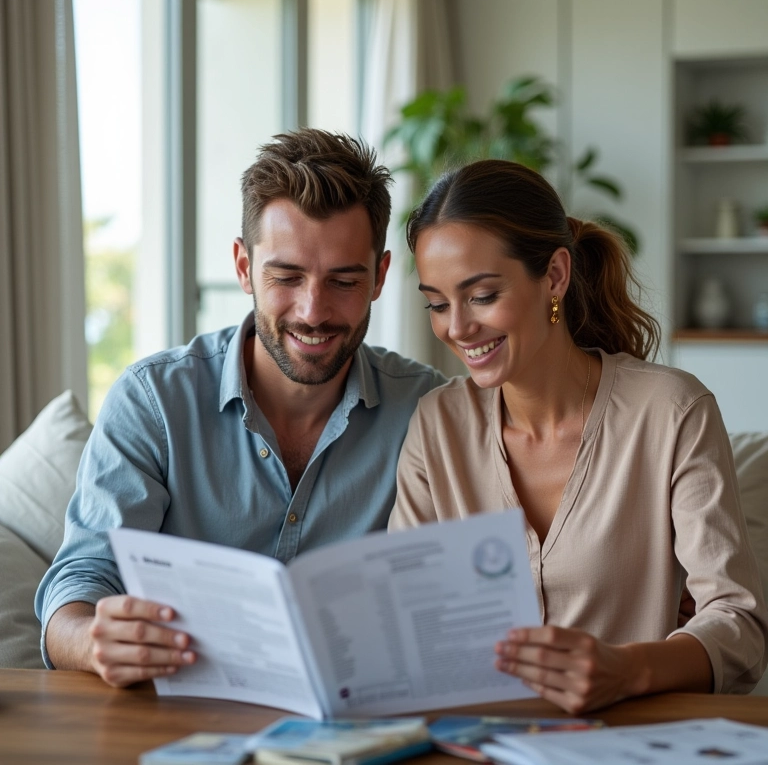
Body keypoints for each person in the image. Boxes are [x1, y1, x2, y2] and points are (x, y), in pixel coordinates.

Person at [36, 129, 446, 687]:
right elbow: (81, 579)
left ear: (379, 276)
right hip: (175, 720)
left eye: (344, 280)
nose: (313, 311)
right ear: (242, 265)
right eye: (286, 276)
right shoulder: (153, 400)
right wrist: (90, 640)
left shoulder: (429, 410)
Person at [389, 159, 768, 713]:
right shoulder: (437, 424)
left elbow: (739, 624)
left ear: (556, 276)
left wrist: (629, 669)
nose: (458, 328)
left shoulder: (671, 411)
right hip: (475, 741)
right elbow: (406, 612)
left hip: (627, 742)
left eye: (482, 295)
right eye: (438, 304)